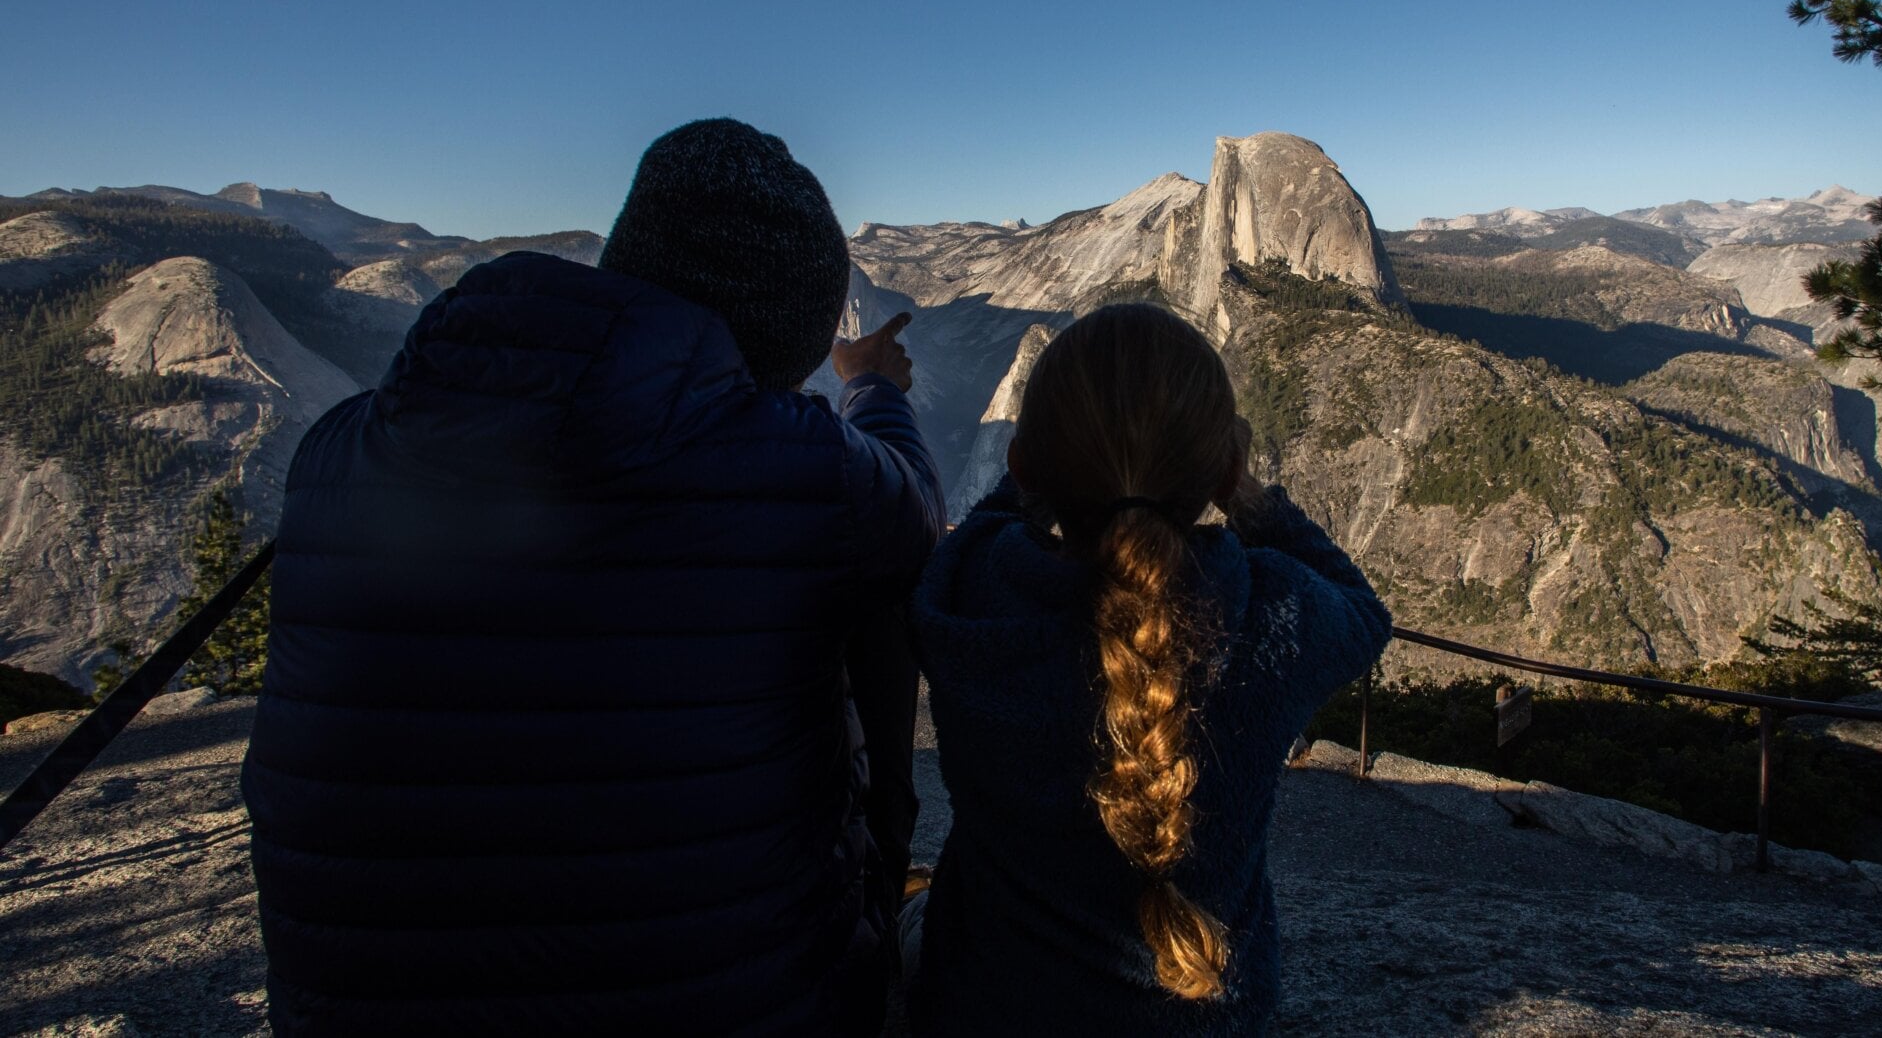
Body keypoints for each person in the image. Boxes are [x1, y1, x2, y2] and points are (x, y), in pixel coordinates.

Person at [242, 118, 943, 1034]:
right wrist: (870, 387)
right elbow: (917, 514)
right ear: (778, 340)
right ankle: (879, 905)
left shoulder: (341, 447)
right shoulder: (800, 469)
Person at [908, 303, 1390, 1036]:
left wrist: (1034, 473)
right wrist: (1251, 498)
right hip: (1216, 1017)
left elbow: (982, 528)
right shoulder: (1272, 617)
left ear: (1025, 464)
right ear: (1224, 470)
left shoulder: (969, 592)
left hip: (985, 1007)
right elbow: (1364, 613)